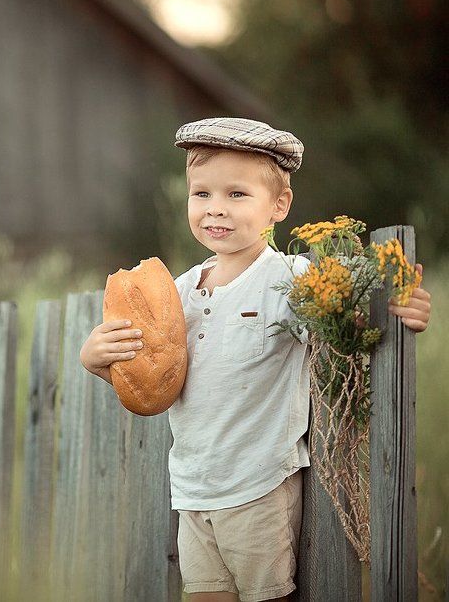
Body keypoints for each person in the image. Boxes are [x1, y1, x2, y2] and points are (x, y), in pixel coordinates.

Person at [79, 117, 432, 602]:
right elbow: (144, 372)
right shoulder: (177, 291)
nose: (214, 209)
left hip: (257, 485)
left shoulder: (291, 279)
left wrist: (401, 304)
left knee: (267, 595)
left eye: (236, 195)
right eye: (201, 195)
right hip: (192, 486)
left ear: (278, 206)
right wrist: (96, 357)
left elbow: (359, 306)